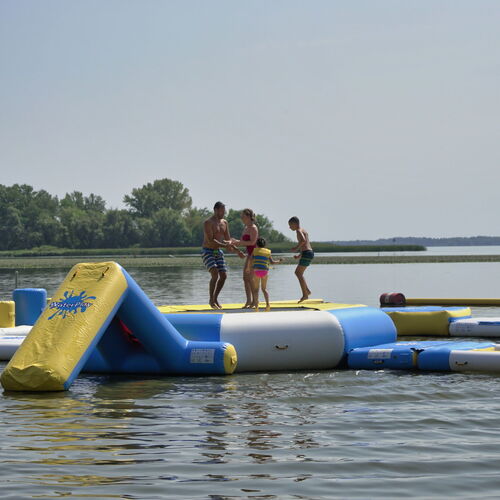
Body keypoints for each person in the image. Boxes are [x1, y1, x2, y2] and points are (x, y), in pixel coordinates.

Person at [202, 201, 233, 309]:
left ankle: (215, 298)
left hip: (218, 251)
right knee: (215, 274)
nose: (223, 213)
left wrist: (236, 250)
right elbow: (211, 240)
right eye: (221, 211)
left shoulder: (225, 222)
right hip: (208, 251)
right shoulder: (208, 222)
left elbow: (228, 239)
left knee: (223, 276)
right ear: (215, 210)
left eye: (224, 211)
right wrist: (225, 246)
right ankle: (211, 300)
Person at [226, 208, 259, 308]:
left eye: (243, 216)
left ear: (248, 217)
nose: (241, 218)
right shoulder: (245, 228)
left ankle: (255, 301)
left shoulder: (253, 228)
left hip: (254, 255)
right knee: (245, 278)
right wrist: (234, 241)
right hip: (249, 254)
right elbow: (243, 242)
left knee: (251, 278)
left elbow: (253, 242)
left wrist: (238, 242)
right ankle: (249, 301)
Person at [251, 237, 282, 311]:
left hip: (256, 271)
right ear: (265, 244)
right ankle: (268, 305)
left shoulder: (254, 250)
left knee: (256, 290)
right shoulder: (268, 252)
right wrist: (279, 261)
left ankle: (256, 307)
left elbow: (251, 260)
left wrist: (249, 268)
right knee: (264, 289)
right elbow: (272, 262)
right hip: (265, 271)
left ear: (257, 244)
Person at [288, 216, 314, 303]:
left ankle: (305, 295)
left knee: (298, 273)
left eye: (290, 225)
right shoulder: (303, 230)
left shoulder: (299, 231)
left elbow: (303, 241)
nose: (289, 227)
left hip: (307, 253)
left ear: (295, 224)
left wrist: (296, 248)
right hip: (308, 253)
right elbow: (305, 245)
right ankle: (307, 291)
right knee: (299, 273)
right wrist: (299, 255)